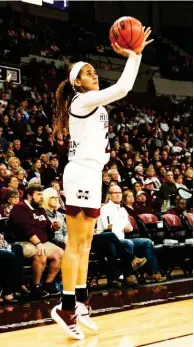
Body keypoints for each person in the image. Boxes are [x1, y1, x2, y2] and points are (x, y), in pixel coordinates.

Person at [51, 28, 153, 340]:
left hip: (92, 173)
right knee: (74, 243)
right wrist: (135, 55)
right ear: (76, 83)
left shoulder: (96, 106)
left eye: (94, 71)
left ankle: (80, 301)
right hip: (80, 172)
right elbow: (123, 87)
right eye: (87, 72)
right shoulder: (82, 101)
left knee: (86, 243)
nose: (93, 74)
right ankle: (65, 307)